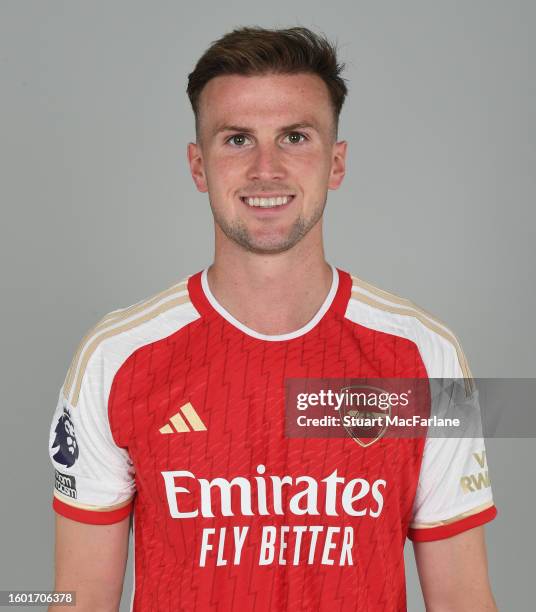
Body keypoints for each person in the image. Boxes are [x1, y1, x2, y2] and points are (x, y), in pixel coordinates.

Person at [48, 26, 497, 612]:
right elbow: (74, 599)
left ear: (335, 163)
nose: (266, 168)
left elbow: (464, 598)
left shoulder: (425, 357)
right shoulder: (114, 357)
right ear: (197, 165)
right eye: (236, 139)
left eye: (294, 137)